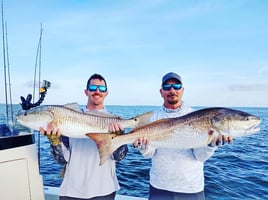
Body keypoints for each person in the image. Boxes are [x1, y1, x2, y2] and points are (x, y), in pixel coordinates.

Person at [133, 72, 233, 200]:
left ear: (183, 90)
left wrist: (211, 145)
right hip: (159, 186)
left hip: (190, 189)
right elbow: (148, 154)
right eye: (167, 87)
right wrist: (143, 146)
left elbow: (200, 156)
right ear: (161, 92)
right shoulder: (153, 118)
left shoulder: (197, 116)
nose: (172, 90)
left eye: (176, 86)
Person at [40, 73, 128, 200]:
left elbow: (119, 157)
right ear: (86, 92)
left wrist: (119, 138)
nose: (97, 91)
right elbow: (61, 160)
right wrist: (54, 142)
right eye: (93, 88)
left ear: (106, 93)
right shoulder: (67, 118)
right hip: (72, 192)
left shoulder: (114, 122)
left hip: (104, 190)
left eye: (101, 89)